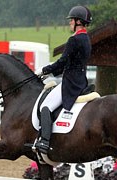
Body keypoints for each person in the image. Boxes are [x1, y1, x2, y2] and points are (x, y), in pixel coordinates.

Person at [35, 5, 92, 154]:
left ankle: (44, 142)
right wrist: (51, 73)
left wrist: (44, 70)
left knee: (45, 107)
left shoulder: (74, 39)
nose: (70, 23)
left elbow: (63, 61)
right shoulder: (86, 38)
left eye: (71, 20)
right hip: (81, 80)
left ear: (78, 21)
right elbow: (70, 63)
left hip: (70, 83)